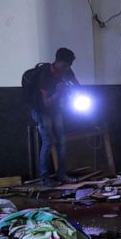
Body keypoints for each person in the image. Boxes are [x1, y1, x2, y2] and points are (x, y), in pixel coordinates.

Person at [31, 47, 80, 187]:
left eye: (69, 66)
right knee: (48, 142)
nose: (67, 69)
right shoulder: (45, 75)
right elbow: (46, 102)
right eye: (64, 66)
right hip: (41, 110)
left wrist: (77, 91)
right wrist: (59, 92)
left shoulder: (67, 71)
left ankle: (62, 175)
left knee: (62, 141)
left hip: (56, 110)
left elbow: (77, 85)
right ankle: (44, 179)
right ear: (57, 62)